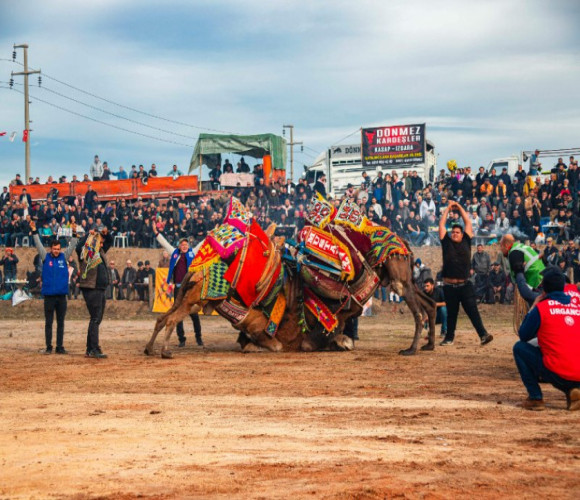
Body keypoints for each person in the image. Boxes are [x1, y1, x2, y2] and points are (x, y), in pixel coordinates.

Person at [513, 267, 580, 411]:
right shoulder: (577, 306)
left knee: (519, 348)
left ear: (544, 290)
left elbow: (523, 335)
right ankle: (574, 390)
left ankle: (535, 397)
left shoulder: (542, 308)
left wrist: (534, 306)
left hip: (559, 374)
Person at [438, 201, 493, 346]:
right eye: (453, 232)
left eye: (457, 232)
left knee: (472, 311)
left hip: (465, 284)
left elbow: (467, 222)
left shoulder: (467, 241)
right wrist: (448, 209)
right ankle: (449, 338)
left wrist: (459, 206)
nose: (455, 234)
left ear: (462, 234)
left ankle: (483, 335)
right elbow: (441, 225)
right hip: (449, 286)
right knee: (451, 313)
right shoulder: (446, 242)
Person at [31, 221, 78, 354]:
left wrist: (74, 233)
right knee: (49, 323)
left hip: (62, 296)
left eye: (58, 249)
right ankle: (48, 347)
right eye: (54, 249)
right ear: (51, 249)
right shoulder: (45, 257)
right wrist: (34, 231)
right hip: (49, 297)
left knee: (61, 323)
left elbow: (72, 246)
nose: (56, 251)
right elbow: (38, 244)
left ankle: (59, 347)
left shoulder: (64, 257)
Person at [153, 224, 203, 347]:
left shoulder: (193, 252)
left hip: (190, 287)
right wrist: (156, 233)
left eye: (186, 245)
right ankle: (182, 339)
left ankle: (199, 338)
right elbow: (165, 243)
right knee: (177, 313)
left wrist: (210, 236)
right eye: (182, 245)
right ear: (179, 246)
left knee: (194, 314)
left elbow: (201, 244)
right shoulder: (174, 253)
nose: (184, 246)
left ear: (188, 246)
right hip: (178, 287)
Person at [76, 226, 113, 359]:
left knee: (96, 319)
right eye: (99, 241)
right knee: (95, 318)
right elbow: (78, 246)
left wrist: (106, 233)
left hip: (100, 288)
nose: (102, 244)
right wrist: (87, 235)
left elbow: (110, 241)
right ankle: (93, 349)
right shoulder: (86, 252)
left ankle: (91, 348)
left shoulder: (100, 251)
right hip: (92, 288)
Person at [499, 234, 545, 306]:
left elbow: (519, 277)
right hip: (542, 277)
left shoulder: (514, 253)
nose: (500, 249)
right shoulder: (521, 247)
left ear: (507, 245)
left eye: (501, 246)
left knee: (535, 305)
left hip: (537, 281)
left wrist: (525, 293)